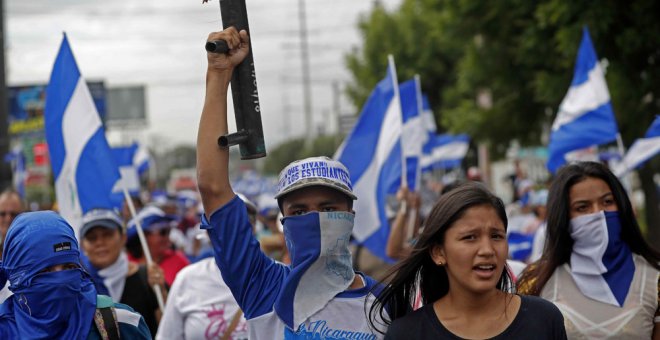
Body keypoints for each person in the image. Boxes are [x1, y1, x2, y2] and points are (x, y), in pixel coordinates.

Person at [197, 27, 385, 339]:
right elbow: (213, 188)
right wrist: (218, 74)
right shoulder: (262, 285)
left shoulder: (387, 303)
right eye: (299, 212)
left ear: (350, 215)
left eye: (327, 208)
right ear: (283, 222)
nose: (314, 219)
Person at [371, 182, 567, 339]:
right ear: (439, 252)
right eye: (470, 237)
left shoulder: (544, 319)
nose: (487, 250)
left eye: (496, 236)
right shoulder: (407, 333)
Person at [517, 161, 660, 339]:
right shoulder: (534, 282)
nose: (598, 213)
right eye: (582, 207)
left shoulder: (655, 278)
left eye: (607, 202)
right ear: (563, 216)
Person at [0, 211, 151, 338]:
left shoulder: (121, 323)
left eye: (69, 267)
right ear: (16, 277)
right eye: (45, 271)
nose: (61, 279)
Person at [155, 194, 257, 340]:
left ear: (252, 229)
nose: (232, 232)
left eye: (240, 223)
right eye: (222, 224)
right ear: (209, 232)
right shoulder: (187, 279)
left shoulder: (276, 276)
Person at [80, 208, 165, 337]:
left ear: (123, 237)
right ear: (82, 245)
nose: (100, 242)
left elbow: (168, 328)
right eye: (92, 238)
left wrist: (162, 292)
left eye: (107, 234)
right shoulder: (79, 285)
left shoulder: (148, 276)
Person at [126, 206, 190, 286]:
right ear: (144, 236)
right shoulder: (126, 263)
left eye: (169, 231)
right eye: (163, 232)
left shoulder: (179, 261)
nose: (167, 237)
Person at [0, 189, 24, 255]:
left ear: (23, 215)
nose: (8, 219)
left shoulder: (31, 250)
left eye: (13, 214)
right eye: (2, 214)